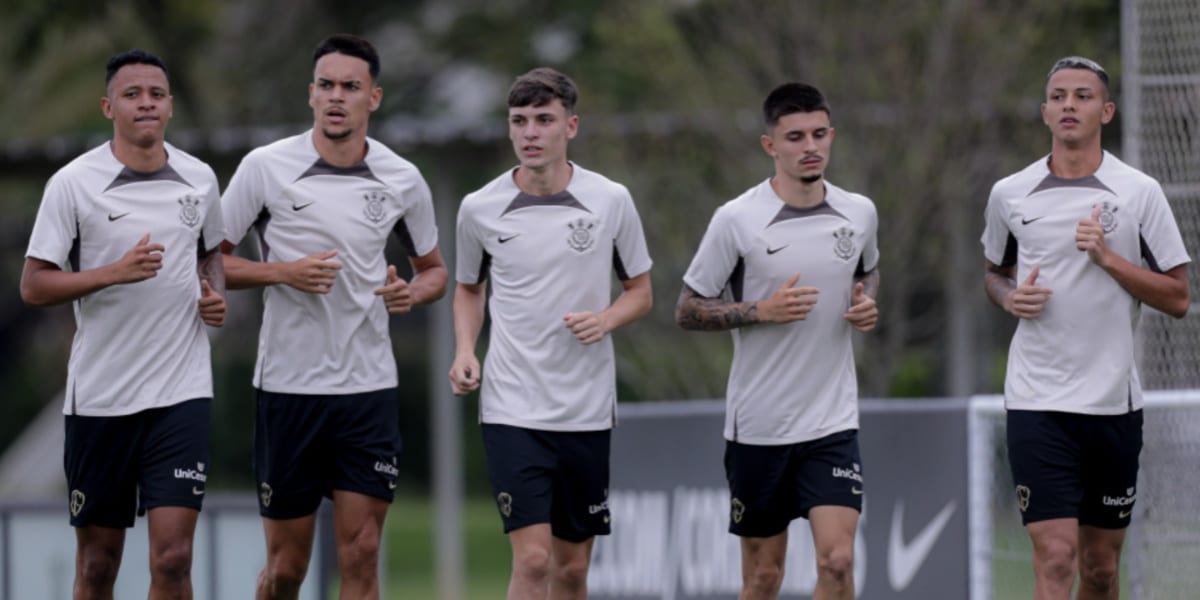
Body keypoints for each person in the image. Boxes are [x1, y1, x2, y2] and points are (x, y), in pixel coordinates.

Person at [219, 34, 447, 599]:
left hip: (367, 388)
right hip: (288, 389)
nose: (336, 97)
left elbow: (436, 271)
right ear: (311, 95)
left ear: (375, 97)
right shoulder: (266, 168)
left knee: (363, 553)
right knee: (288, 570)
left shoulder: (401, 178)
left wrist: (411, 295)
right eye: (326, 86)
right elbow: (209, 265)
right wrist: (282, 272)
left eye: (350, 86)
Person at [19, 49, 225, 599]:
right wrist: (114, 272)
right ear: (109, 106)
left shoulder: (200, 179)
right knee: (97, 565)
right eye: (133, 95)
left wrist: (215, 295)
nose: (146, 104)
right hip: (101, 398)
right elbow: (35, 284)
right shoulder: (73, 183)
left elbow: (212, 257)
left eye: (156, 94)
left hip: (180, 393)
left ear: (170, 105)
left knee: (175, 557)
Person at [982, 56, 1189, 599]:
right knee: (1055, 558)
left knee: (1099, 569)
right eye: (1059, 96)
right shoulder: (1010, 193)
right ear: (1045, 111)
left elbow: (1179, 297)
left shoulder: (1139, 191)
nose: (1069, 104)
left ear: (1107, 110)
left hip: (1112, 405)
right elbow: (993, 273)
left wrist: (1108, 259)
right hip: (1037, 400)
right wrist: (1009, 297)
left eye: (1083, 95)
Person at [448, 67, 653, 600]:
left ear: (571, 126)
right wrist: (466, 350)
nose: (531, 132)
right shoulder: (478, 208)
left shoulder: (611, 200)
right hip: (513, 407)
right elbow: (469, 289)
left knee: (571, 571)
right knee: (534, 562)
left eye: (544, 119)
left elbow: (641, 292)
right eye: (520, 121)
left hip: (585, 409)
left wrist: (605, 319)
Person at [675, 83, 879, 600]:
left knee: (838, 562)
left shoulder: (859, 213)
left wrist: (864, 302)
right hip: (759, 426)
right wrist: (760, 311)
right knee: (765, 577)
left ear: (831, 136)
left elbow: (868, 271)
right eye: (794, 137)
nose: (809, 146)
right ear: (771, 146)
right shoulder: (736, 220)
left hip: (832, 421)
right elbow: (688, 310)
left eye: (818, 134)